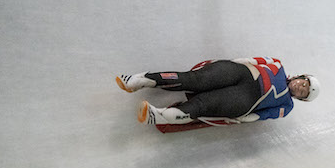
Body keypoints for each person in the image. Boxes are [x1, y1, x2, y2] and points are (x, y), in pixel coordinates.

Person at [116, 57, 320, 125]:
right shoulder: (277, 65)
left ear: (299, 99)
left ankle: (158, 116)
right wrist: (232, 62)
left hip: (247, 99)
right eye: (303, 83)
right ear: (299, 77)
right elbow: (252, 60)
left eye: (303, 92)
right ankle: (139, 80)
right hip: (242, 72)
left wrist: (244, 119)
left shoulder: (286, 106)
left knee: (204, 104)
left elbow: (264, 115)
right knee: (194, 80)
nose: (300, 88)